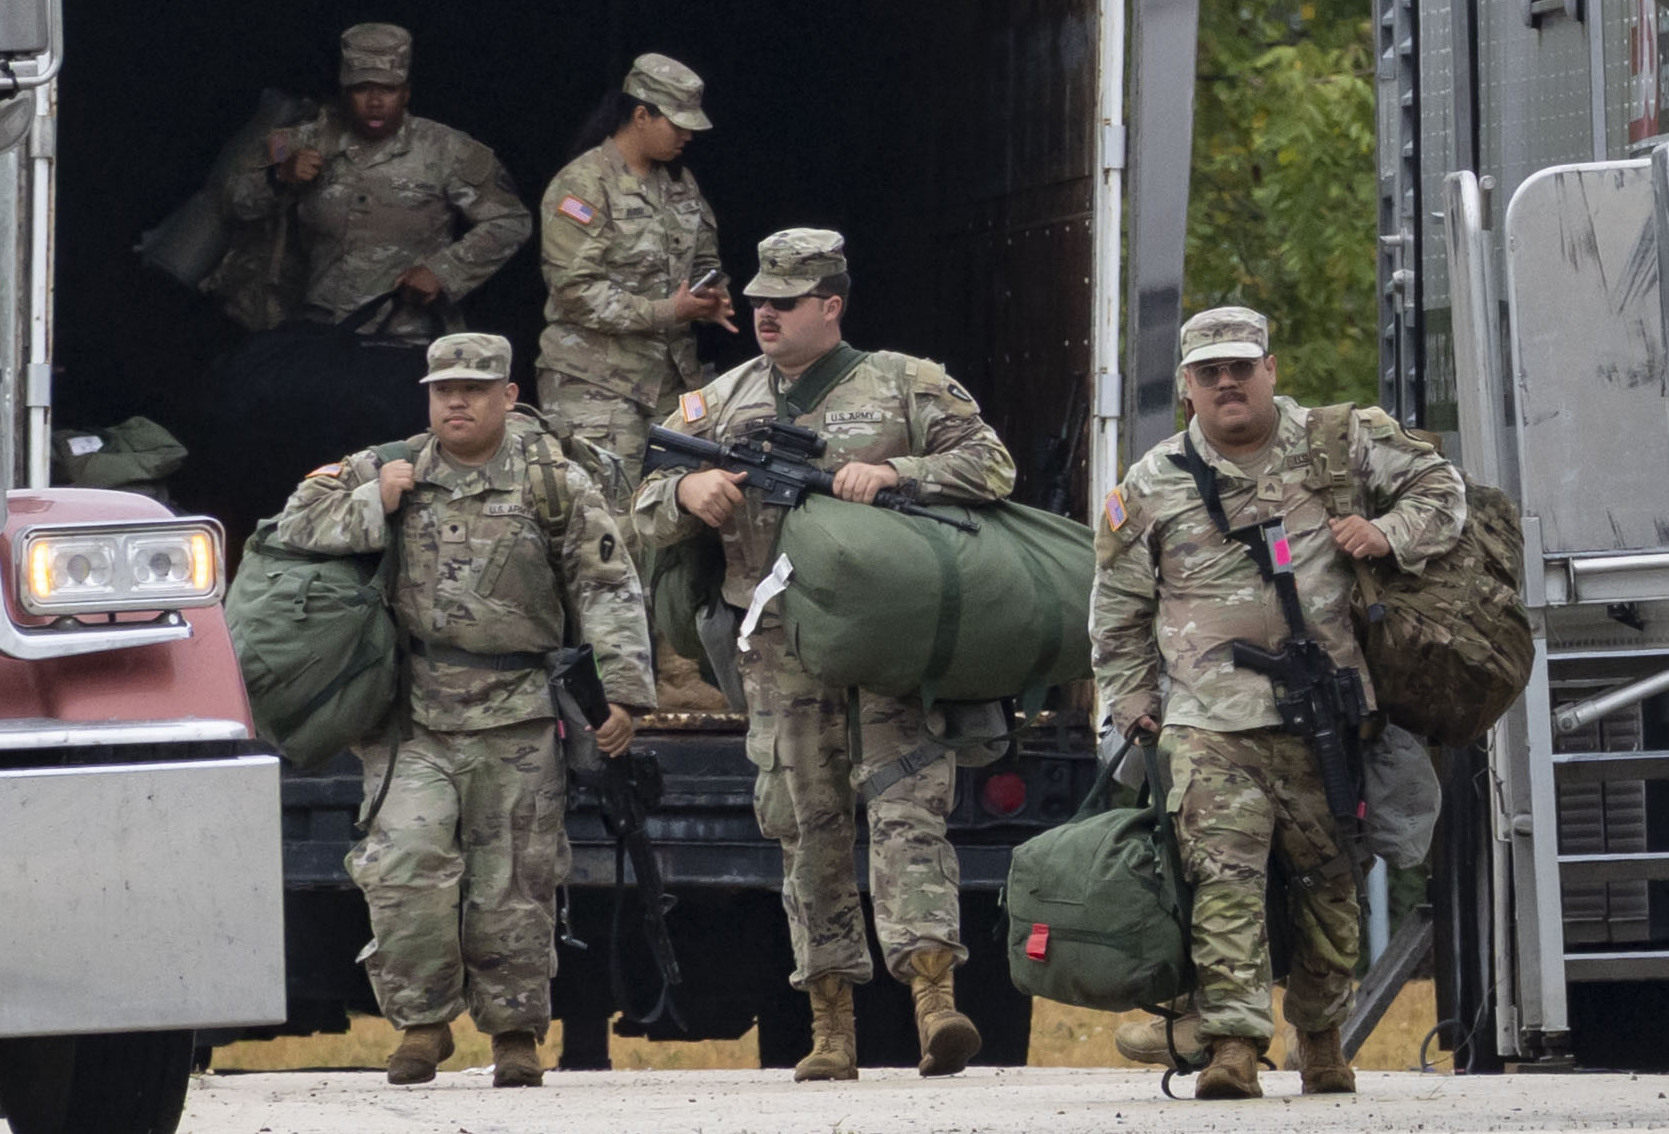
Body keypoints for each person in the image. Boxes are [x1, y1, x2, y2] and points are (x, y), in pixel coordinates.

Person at [631, 229, 1015, 1082]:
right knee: (804, 828)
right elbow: (643, 501)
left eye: (785, 301)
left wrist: (896, 474)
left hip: (888, 644)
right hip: (779, 650)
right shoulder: (719, 400)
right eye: (759, 299)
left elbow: (992, 465)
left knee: (908, 814)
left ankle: (934, 1003)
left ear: (830, 305)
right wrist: (687, 493)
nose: (764, 313)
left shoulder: (907, 383)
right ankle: (830, 1024)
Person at [1088, 306, 1466, 1098]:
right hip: (1205, 724)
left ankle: (1321, 1038)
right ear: (1187, 388)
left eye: (1240, 367)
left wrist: (1387, 531)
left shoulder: (1337, 441)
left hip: (1324, 717)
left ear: (1270, 369)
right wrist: (1132, 705)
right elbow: (1117, 609)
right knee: (1221, 883)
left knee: (1329, 886)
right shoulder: (1150, 483)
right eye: (1207, 372)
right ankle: (1231, 1046)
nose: (1226, 383)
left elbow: (1441, 488)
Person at [273, 332, 655, 1087]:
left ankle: (514, 1032)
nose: (456, 399)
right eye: (443, 387)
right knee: (405, 867)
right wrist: (368, 504)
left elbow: (606, 583)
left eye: (474, 388)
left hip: (515, 713)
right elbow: (289, 526)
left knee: (513, 883)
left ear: (507, 397)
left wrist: (622, 691)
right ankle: (420, 1024)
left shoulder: (553, 482)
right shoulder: (391, 464)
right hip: (410, 716)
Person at [224, 23, 532, 341]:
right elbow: (234, 203)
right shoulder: (301, 140)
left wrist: (444, 271)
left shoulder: (448, 150)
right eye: (361, 88)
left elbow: (510, 221)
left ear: (407, 92)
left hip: (408, 338)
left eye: (388, 89)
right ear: (344, 92)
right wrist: (278, 177)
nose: (374, 101)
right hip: (319, 333)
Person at [538, 52, 735, 483]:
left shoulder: (680, 183)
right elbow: (575, 291)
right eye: (678, 123)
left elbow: (705, 258)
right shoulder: (582, 185)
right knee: (610, 520)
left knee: (674, 518)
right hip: (597, 389)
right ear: (641, 115)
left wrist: (712, 296)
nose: (687, 135)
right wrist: (669, 311)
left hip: (673, 385)